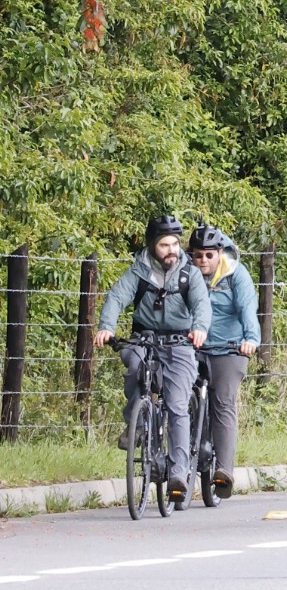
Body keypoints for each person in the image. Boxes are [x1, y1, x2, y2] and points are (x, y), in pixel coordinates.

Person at [93, 213, 211, 502]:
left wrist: (199, 328)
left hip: (179, 344)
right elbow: (117, 297)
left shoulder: (189, 273)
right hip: (144, 339)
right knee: (134, 365)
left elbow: (201, 304)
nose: (171, 250)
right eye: (164, 245)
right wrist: (107, 327)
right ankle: (137, 424)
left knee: (177, 405)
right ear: (152, 246)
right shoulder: (139, 270)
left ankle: (179, 474)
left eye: (174, 244)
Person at [187, 221, 261, 497]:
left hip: (229, 347)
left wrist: (250, 339)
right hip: (192, 346)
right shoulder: (184, 273)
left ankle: (224, 471)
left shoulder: (235, 275)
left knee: (223, 400)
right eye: (198, 255)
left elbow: (247, 308)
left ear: (219, 253)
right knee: (179, 398)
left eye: (209, 255)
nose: (203, 260)